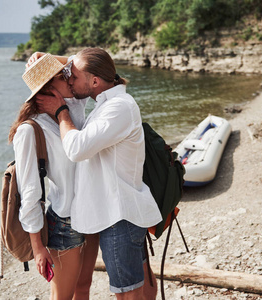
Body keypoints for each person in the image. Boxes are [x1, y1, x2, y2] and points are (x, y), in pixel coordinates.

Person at [30, 48, 163, 300]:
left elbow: (76, 149)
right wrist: (46, 57)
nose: (68, 79)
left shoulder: (118, 108)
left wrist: (61, 112)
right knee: (141, 282)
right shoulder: (108, 101)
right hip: (125, 211)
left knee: (128, 292)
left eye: (73, 76)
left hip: (119, 216)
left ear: (94, 82)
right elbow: (78, 62)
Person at [9, 53, 99, 300]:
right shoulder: (30, 130)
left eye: (68, 73)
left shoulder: (72, 108)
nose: (71, 77)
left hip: (93, 214)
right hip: (65, 223)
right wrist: (37, 247)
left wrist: (48, 57)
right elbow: (29, 192)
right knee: (63, 296)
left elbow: (82, 60)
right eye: (63, 76)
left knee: (84, 287)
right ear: (48, 88)